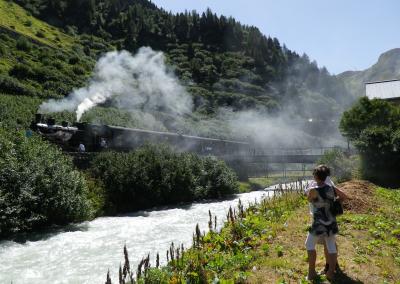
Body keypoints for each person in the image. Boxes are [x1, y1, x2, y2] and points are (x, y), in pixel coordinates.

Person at [305, 165, 348, 281]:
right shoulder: (331, 188)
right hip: (331, 221)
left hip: (319, 222)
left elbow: (309, 199)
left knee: (309, 245)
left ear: (316, 176)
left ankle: (312, 273)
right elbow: (344, 196)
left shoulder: (313, 190)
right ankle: (330, 273)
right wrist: (334, 202)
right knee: (331, 246)